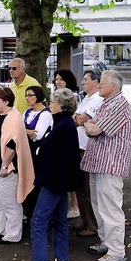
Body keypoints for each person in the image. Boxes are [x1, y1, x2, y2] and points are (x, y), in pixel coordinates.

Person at [81, 71, 131, 261]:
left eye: (102, 83)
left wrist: (88, 124)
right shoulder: (107, 103)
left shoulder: (119, 105)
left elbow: (93, 129)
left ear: (114, 86)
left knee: (110, 208)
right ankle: (107, 243)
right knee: (99, 205)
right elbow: (92, 128)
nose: (99, 86)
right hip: (99, 162)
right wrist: (90, 126)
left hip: (110, 165)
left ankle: (117, 251)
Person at [31, 88, 82, 261]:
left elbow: (59, 158)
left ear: (61, 105)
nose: (50, 105)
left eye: (53, 102)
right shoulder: (64, 124)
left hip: (54, 182)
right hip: (59, 182)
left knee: (38, 223)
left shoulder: (63, 127)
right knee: (59, 222)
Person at [0, 87, 34, 244]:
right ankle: (2, 227)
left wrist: (5, 165)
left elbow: (12, 143)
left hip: (5, 168)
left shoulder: (13, 117)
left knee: (9, 202)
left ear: (6, 102)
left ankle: (13, 234)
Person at [73, 70, 104, 237]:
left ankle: (92, 225)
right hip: (79, 146)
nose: (82, 82)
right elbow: (77, 116)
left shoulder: (97, 99)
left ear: (96, 82)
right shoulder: (86, 98)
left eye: (85, 79)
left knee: (87, 188)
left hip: (87, 148)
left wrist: (78, 118)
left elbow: (79, 119)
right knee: (80, 186)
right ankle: (84, 218)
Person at [53, 68, 82, 218]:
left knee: (71, 171)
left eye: (61, 79)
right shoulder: (56, 95)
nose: (58, 81)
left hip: (71, 137)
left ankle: (75, 206)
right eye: (56, 79)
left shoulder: (73, 96)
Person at [22, 86, 53, 222]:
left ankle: (37, 216)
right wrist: (27, 131)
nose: (27, 98)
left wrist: (24, 131)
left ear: (39, 96)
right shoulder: (27, 112)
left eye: (31, 95)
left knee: (35, 184)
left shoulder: (45, 114)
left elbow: (37, 135)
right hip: (25, 151)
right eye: (26, 95)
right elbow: (17, 128)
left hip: (37, 154)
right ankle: (28, 213)